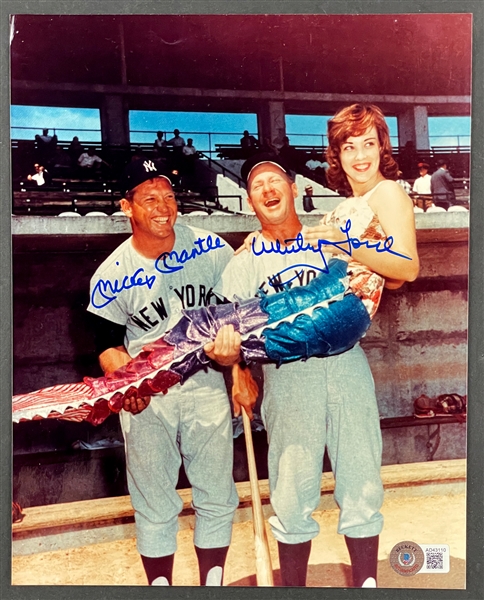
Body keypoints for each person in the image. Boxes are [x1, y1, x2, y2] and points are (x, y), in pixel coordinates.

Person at [215, 103, 419, 589]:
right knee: (291, 486)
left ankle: (366, 583)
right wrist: (237, 375)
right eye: (256, 185)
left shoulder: (326, 233)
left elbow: (395, 278)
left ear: (294, 188)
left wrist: (364, 259)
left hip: (348, 365)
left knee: (362, 475)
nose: (268, 189)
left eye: (275, 180)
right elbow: (232, 335)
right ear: (249, 199)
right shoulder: (242, 261)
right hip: (288, 379)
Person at [87, 158, 238, 587]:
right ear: (126, 206)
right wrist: (126, 382)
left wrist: (238, 370)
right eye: (149, 198)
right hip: (147, 396)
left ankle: (213, 582)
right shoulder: (111, 273)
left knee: (216, 491)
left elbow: (239, 314)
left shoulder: (211, 249)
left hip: (205, 381)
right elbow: (108, 347)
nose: (162, 206)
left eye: (169, 196)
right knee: (153, 498)